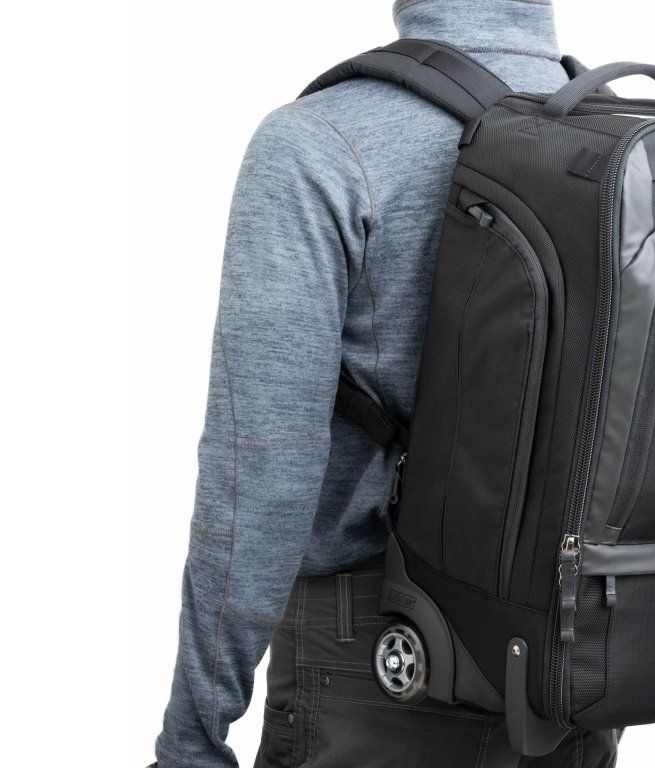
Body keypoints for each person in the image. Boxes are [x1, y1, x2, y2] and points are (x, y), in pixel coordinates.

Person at [149, 1, 618, 766]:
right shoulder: (628, 145)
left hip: (375, 665)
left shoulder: (323, 142)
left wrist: (193, 736)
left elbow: (260, 469)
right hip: (578, 666)